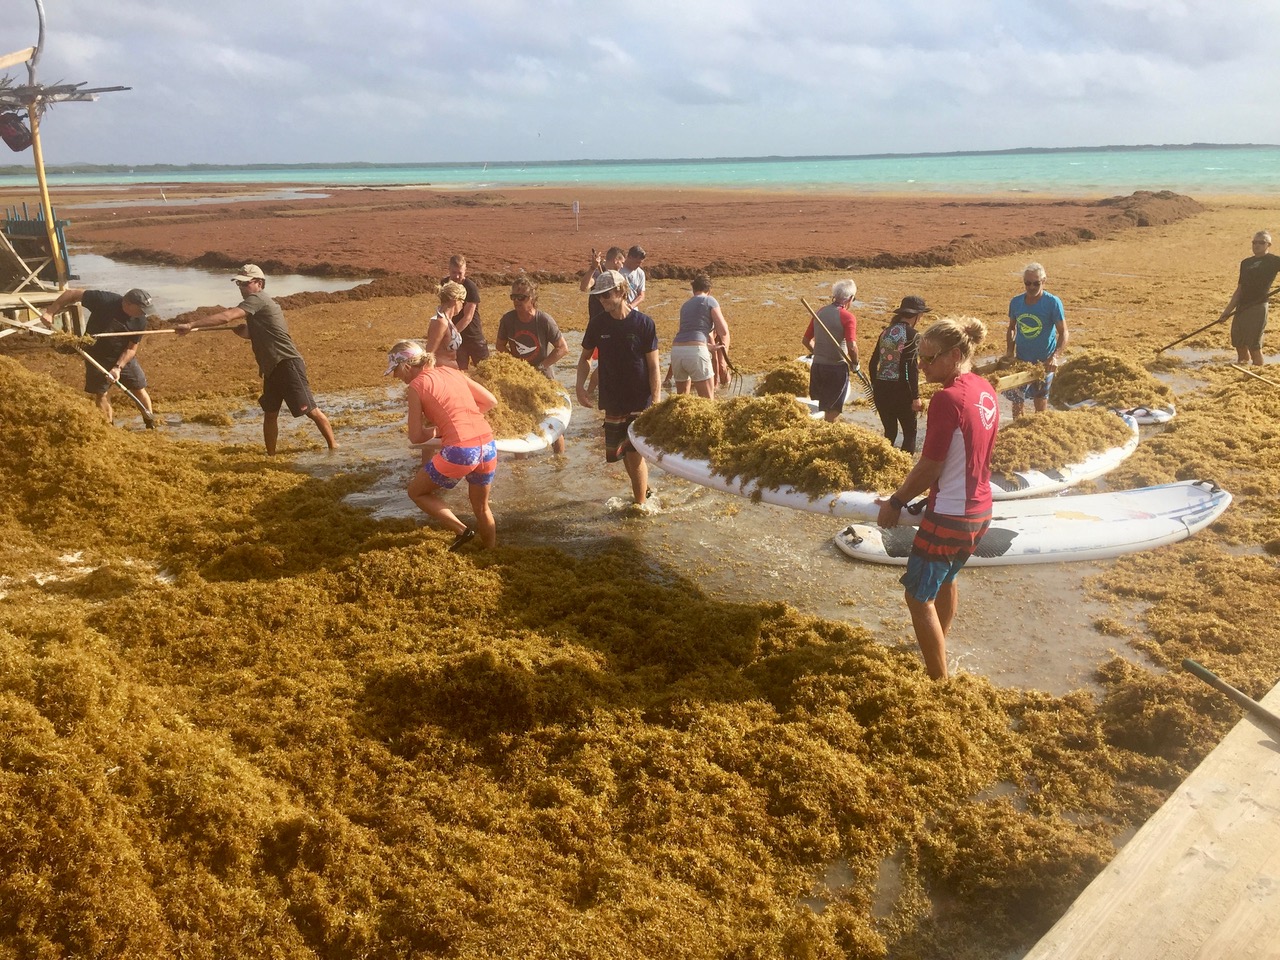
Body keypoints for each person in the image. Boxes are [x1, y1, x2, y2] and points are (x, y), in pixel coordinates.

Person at [876, 317, 998, 680]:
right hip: (980, 510)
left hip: (950, 516)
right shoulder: (984, 387)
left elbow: (931, 465)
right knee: (945, 579)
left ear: (956, 354)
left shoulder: (947, 399)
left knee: (917, 598)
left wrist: (896, 501)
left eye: (929, 359)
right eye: (918, 358)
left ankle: (938, 683)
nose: (921, 366)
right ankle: (938, 645)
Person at [173, 264, 337, 454]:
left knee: (311, 410)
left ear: (258, 283)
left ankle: (334, 448)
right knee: (270, 413)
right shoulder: (256, 305)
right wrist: (245, 332)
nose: (242, 289)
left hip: (286, 363)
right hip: (272, 367)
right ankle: (271, 455)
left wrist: (191, 324)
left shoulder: (258, 299)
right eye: (239, 285)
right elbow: (259, 333)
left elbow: (227, 316)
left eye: (245, 284)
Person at [385, 340, 498, 550]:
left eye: (396, 371)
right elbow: (490, 402)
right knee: (481, 507)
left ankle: (462, 531)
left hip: (461, 451)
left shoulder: (416, 387)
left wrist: (437, 430)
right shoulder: (451, 372)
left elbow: (416, 436)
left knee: (416, 492)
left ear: (407, 366)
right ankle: (490, 552)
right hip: (488, 444)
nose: (396, 377)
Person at [575, 270, 661, 506]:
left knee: (633, 454)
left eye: (606, 295)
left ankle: (640, 505)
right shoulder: (597, 324)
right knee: (622, 452)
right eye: (599, 297)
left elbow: (654, 366)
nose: (602, 300)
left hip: (638, 400)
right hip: (612, 399)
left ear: (621, 292)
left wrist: (656, 399)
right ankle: (645, 489)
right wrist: (579, 387)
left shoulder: (643, 324)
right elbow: (584, 359)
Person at [39, 286, 155, 424]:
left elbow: (131, 349)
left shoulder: (140, 320)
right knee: (101, 393)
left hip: (122, 355)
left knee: (139, 388)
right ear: (127, 304)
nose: (144, 314)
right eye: (141, 309)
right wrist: (50, 312)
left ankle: (150, 423)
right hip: (96, 354)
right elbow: (72, 294)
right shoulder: (105, 300)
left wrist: (118, 367)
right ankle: (109, 427)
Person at [495, 276, 569, 453]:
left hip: (543, 378)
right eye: (514, 297)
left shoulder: (543, 320)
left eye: (522, 297)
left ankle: (559, 462)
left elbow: (562, 348)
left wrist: (541, 366)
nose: (517, 301)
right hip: (518, 378)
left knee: (551, 423)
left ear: (533, 298)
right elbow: (499, 345)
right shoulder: (508, 320)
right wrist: (514, 365)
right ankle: (520, 469)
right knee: (519, 422)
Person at [1005, 262, 1067, 417]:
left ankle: (1038, 431)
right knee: (1017, 401)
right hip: (1021, 361)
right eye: (1027, 283)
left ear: (1044, 281)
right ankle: (1017, 432)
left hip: (1043, 363)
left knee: (1040, 402)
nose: (1031, 287)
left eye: (1036, 283)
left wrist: (1054, 357)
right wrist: (1009, 352)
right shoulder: (1016, 302)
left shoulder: (1052, 303)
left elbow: (1064, 332)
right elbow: (1012, 328)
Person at [869, 295, 929, 454]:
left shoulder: (886, 332)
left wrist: (875, 386)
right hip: (901, 391)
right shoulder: (913, 335)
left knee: (889, 433)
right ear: (916, 315)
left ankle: (883, 462)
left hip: (881, 390)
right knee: (910, 432)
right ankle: (904, 467)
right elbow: (909, 368)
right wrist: (915, 396)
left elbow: (872, 363)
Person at [1217, 230, 1280, 366]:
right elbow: (1240, 289)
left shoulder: (1274, 261)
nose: (1256, 245)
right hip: (1241, 307)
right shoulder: (1245, 263)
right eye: (1254, 242)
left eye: (1261, 242)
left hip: (1257, 307)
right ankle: (1243, 370)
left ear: (1268, 244)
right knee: (1239, 343)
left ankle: (1257, 374)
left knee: (1254, 346)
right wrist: (1227, 312)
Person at [803, 279, 860, 422]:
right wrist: (855, 363)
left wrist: (819, 353)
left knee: (824, 406)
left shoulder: (820, 312)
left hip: (817, 367)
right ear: (850, 298)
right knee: (833, 411)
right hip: (836, 369)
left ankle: (824, 430)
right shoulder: (848, 317)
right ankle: (828, 435)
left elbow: (806, 341)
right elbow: (852, 346)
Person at [670, 273, 731, 399]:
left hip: (677, 351)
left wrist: (708, 346)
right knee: (707, 401)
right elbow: (723, 330)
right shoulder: (710, 300)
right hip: (696, 353)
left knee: (681, 401)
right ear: (709, 290)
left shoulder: (685, 305)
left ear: (693, 290)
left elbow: (688, 333)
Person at [442, 255, 489, 371]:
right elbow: (445, 310)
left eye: (460, 273)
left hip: (473, 337)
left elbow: (467, 317)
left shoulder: (470, 288)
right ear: (449, 269)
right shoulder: (445, 284)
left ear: (465, 271)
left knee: (485, 370)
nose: (457, 276)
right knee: (460, 372)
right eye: (454, 273)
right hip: (458, 340)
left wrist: (451, 335)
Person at [424, 281, 468, 370]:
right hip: (442, 372)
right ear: (455, 301)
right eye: (462, 301)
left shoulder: (448, 321)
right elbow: (429, 353)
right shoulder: (440, 322)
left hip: (450, 371)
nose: (463, 306)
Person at [579, 246, 626, 322]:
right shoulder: (598, 274)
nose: (623, 266)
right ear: (616, 260)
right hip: (598, 321)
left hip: (615, 320)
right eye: (622, 263)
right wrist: (593, 267)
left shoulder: (618, 276)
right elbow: (583, 287)